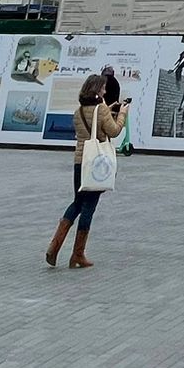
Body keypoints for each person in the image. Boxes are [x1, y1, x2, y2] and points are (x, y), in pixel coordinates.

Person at [45, 73, 124, 269]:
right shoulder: (102, 110)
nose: (105, 91)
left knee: (77, 203)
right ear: (98, 90)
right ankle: (78, 254)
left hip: (81, 162)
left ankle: (54, 247)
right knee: (89, 207)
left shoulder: (78, 111)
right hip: (97, 164)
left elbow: (90, 127)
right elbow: (113, 131)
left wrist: (107, 110)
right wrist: (122, 114)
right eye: (103, 88)